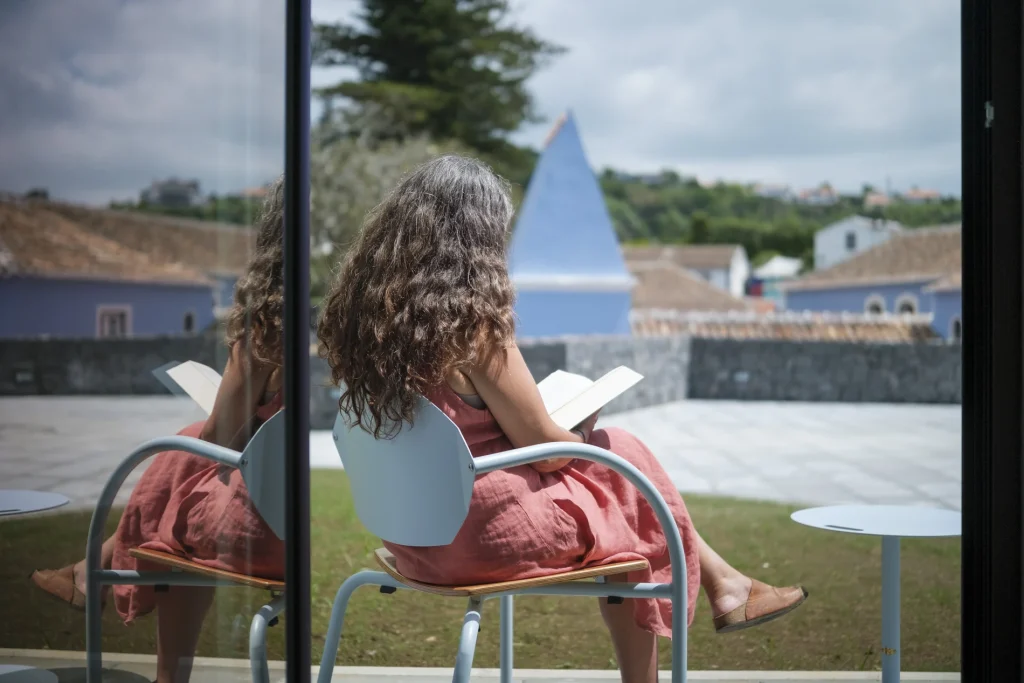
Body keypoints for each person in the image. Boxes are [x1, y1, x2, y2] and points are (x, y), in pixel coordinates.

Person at [316, 155, 808, 683]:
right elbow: (547, 454)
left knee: (619, 472)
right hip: (477, 535)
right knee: (620, 457)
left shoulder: (359, 328)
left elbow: (448, 432)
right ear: (477, 241)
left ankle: (727, 584)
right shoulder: (472, 329)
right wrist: (578, 427)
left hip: (411, 536)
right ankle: (715, 598)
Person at [31, 177, 287, 683]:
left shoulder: (264, 333)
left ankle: (93, 574)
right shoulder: (341, 326)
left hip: (260, 532)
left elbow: (219, 437)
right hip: (296, 518)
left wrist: (224, 403)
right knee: (188, 465)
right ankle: (90, 572)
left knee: (181, 499)